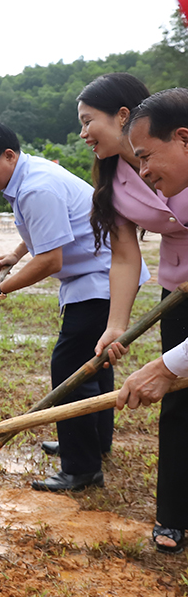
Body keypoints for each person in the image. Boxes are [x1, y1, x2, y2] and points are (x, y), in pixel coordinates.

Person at [0, 122, 146, 493]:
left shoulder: (36, 187)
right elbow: (50, 228)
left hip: (101, 278)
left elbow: (50, 260)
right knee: (95, 364)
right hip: (99, 275)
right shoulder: (31, 175)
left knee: (69, 370)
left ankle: (81, 468)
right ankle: (94, 442)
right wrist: (14, 254)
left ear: (9, 156)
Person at [113, 87, 188, 554]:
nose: (142, 172)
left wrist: (166, 367)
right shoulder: (114, 186)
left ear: (184, 138)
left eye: (146, 157)